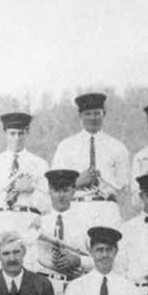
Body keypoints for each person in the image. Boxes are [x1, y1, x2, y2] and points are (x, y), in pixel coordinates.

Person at [51, 92, 128, 226]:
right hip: (76, 208)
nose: (92, 118)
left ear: (104, 114)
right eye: (88, 114)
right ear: (80, 116)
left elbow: (124, 186)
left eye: (97, 113)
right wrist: (76, 182)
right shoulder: (66, 146)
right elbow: (54, 184)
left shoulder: (117, 147)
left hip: (107, 209)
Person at [25, 169, 96, 295]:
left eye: (65, 190)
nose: (61, 196)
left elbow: (97, 261)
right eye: (57, 190)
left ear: (73, 190)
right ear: (49, 190)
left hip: (75, 288)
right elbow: (28, 259)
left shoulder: (87, 223)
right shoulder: (39, 222)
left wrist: (78, 261)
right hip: (44, 288)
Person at [0, 112, 50, 233]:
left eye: (21, 133)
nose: (17, 138)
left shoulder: (40, 164)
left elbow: (47, 207)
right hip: (0, 220)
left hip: (28, 221)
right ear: (4, 133)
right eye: (12, 133)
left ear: (27, 133)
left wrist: (31, 191)